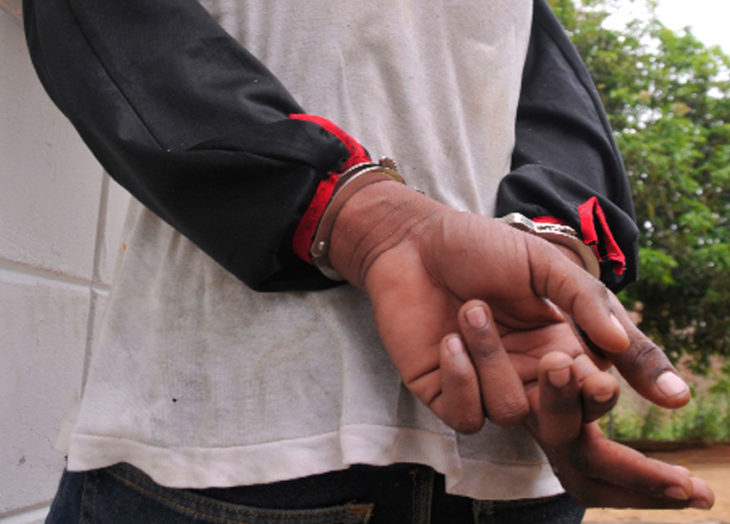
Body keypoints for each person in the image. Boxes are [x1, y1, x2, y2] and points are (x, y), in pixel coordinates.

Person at [23, 0, 714, 522]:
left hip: (483, 459)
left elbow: (548, 98)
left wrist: (550, 264)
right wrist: (376, 228)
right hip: (251, 448)